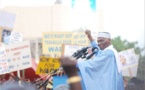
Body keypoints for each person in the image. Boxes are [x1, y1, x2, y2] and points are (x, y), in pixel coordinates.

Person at [57, 30, 124, 90]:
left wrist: (73, 64)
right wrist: (90, 37)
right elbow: (97, 49)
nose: (100, 43)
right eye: (98, 41)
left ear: (109, 40)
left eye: (102, 40)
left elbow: (93, 63)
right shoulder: (108, 51)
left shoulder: (109, 53)